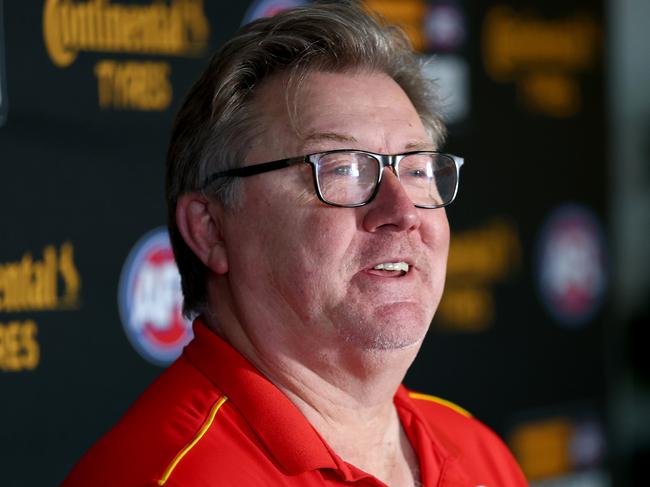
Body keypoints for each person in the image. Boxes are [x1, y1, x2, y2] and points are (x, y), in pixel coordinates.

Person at [62, 2, 527, 486]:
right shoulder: (168, 476)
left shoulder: (478, 452)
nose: (402, 213)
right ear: (210, 230)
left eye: (416, 170)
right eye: (342, 168)